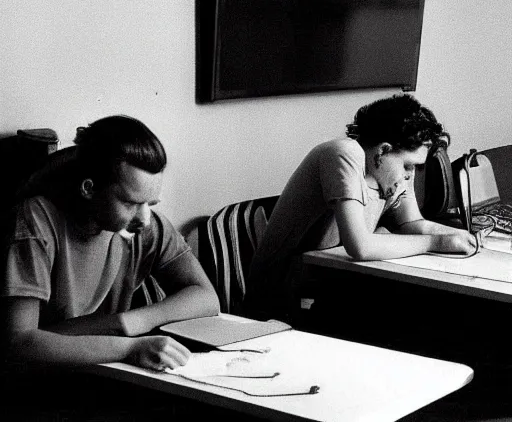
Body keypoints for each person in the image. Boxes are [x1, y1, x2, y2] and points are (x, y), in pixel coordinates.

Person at [1, 115, 220, 375]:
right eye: (130, 203)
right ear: (89, 188)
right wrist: (127, 348)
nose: (145, 218)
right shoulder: (35, 222)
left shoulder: (142, 225)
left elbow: (206, 298)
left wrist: (129, 321)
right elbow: (19, 342)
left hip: (99, 375)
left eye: (151, 203)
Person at [245, 94, 477, 322]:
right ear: (383, 151)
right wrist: (437, 242)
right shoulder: (343, 153)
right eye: (407, 165)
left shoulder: (389, 174)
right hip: (279, 304)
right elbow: (360, 246)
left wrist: (457, 236)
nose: (409, 174)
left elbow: (413, 224)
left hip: (330, 289)